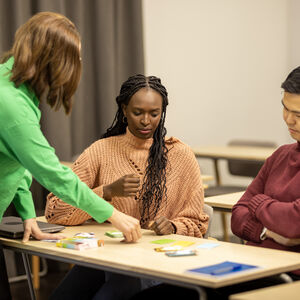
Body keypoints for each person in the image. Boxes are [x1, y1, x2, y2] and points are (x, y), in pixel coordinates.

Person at [45, 74, 209, 300]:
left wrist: (173, 226)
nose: (146, 121)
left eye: (154, 113)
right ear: (124, 109)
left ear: (163, 113)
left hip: (159, 264)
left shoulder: (181, 155)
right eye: (138, 112)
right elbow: (56, 210)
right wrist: (106, 192)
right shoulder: (101, 151)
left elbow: (198, 223)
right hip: (107, 257)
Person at [231, 66, 300, 279]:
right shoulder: (280, 155)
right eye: (285, 108)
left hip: (287, 275)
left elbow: (294, 222)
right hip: (252, 264)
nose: (288, 120)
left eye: (298, 114)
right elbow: (237, 215)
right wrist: (265, 231)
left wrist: (259, 203)